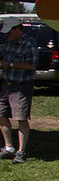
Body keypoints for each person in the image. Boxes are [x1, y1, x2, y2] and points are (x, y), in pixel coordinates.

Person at [0, 16, 38, 164]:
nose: (7, 35)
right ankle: (9, 147)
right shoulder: (8, 43)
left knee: (21, 118)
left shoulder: (30, 43)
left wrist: (9, 64)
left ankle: (21, 151)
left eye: (10, 31)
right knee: (2, 115)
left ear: (18, 29)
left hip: (21, 86)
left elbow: (33, 65)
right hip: (6, 84)